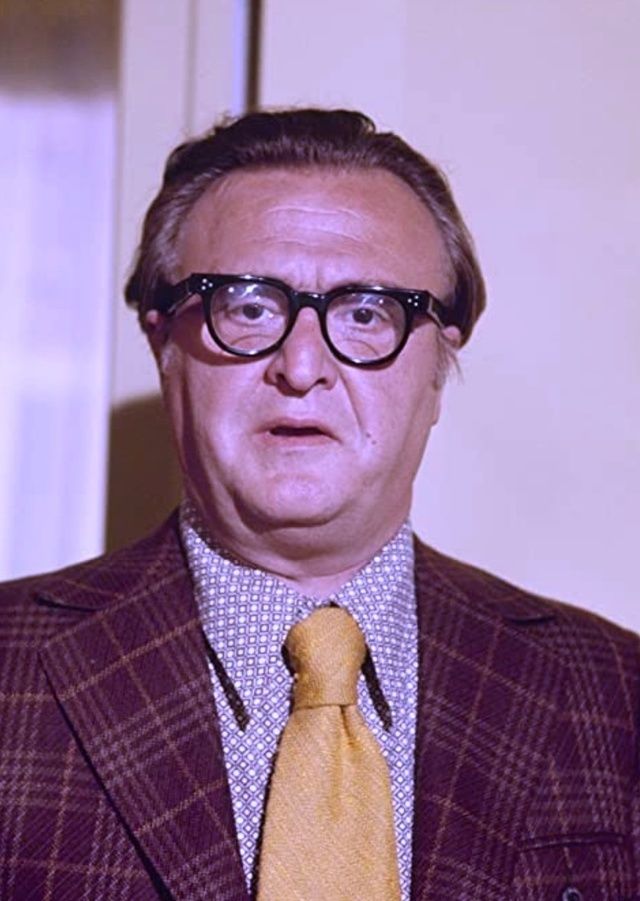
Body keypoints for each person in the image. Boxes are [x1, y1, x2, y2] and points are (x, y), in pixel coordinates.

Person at [0, 108, 638, 901]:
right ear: (163, 345)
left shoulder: (616, 693)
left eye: (367, 312)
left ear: (439, 365)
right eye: (248, 306)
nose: (301, 367)